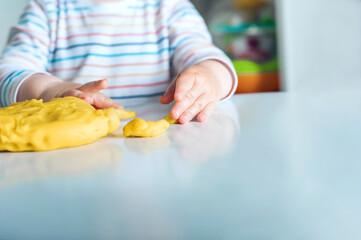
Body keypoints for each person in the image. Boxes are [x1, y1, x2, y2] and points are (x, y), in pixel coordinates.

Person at [0, 0, 237, 124]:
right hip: (71, 158)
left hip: (160, 152)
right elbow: (8, 73)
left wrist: (210, 78)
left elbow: (208, 57)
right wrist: (52, 90)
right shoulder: (47, 9)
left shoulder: (171, 8)